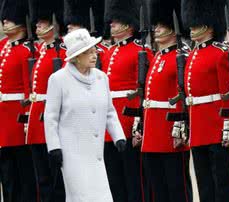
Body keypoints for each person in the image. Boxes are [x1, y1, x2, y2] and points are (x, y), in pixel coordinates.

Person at [44, 28, 127, 202]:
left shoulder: (101, 78)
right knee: (81, 197)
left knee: (102, 196)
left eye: (94, 50)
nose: (94, 55)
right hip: (71, 153)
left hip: (96, 152)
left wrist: (118, 136)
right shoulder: (58, 79)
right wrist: (54, 147)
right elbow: (51, 117)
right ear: (76, 57)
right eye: (88, 52)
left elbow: (110, 112)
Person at [181, 0, 229, 201]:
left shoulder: (220, 53)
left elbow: (227, 93)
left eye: (197, 24)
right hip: (198, 128)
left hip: (216, 126)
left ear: (210, 26)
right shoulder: (193, 54)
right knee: (204, 183)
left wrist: (228, 125)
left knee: (222, 182)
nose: (192, 28)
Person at [140, 0, 193, 202]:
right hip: (153, 131)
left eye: (161, 26)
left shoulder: (182, 55)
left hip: (171, 129)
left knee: (177, 186)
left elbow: (185, 93)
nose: (156, 30)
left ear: (173, 28)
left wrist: (183, 124)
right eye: (156, 26)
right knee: (158, 187)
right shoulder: (157, 57)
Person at [103, 0, 154, 201]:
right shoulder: (107, 53)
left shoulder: (141, 51)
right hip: (109, 126)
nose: (111, 24)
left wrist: (138, 125)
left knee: (135, 181)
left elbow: (143, 93)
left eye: (116, 20)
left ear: (128, 23)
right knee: (114, 180)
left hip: (128, 124)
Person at [25, 0, 67, 201]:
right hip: (36, 120)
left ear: (54, 23)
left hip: (52, 121)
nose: (37, 26)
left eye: (43, 22)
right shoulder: (40, 52)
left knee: (57, 178)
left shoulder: (63, 53)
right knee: (43, 178)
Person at [0, 0, 38, 201]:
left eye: (10, 20)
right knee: (7, 173)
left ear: (22, 24)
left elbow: (29, 89)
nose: (5, 23)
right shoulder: (2, 47)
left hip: (17, 120)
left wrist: (27, 119)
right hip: (3, 120)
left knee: (24, 173)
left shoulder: (27, 51)